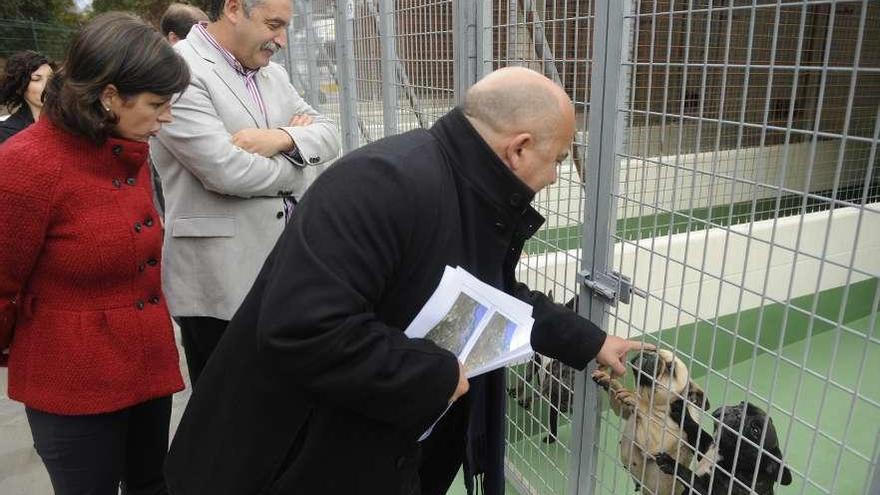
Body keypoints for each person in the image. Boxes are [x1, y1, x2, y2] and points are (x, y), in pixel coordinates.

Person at [164, 67, 652, 495]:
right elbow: (305, 327)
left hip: (355, 450)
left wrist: (591, 341)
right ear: (519, 149)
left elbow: (490, 296)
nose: (554, 176)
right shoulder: (381, 184)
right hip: (283, 462)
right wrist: (435, 376)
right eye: (559, 159)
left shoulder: (462, 191)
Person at [0, 12, 190, 495]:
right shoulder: (26, 166)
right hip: (72, 386)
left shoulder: (124, 146)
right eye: (156, 104)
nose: (166, 117)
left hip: (144, 368)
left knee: (152, 483)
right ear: (108, 97)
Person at [151, 0, 340, 384]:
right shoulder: (179, 70)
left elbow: (329, 135)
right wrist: (301, 160)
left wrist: (280, 137)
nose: (282, 40)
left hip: (285, 271)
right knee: (226, 415)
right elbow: (227, 172)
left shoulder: (272, 74)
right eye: (274, 25)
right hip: (219, 282)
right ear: (235, 9)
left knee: (275, 407)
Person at [0, 50, 55, 144]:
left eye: (51, 78)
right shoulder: (8, 133)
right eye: (36, 79)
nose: (48, 84)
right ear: (19, 88)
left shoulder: (72, 120)